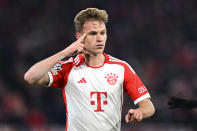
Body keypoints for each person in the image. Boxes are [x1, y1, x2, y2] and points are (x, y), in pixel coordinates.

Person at [24, 8, 155, 131]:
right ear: (79, 37)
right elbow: (31, 77)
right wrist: (64, 53)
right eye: (93, 34)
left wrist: (140, 112)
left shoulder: (121, 68)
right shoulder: (68, 67)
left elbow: (148, 106)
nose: (99, 38)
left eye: (102, 33)